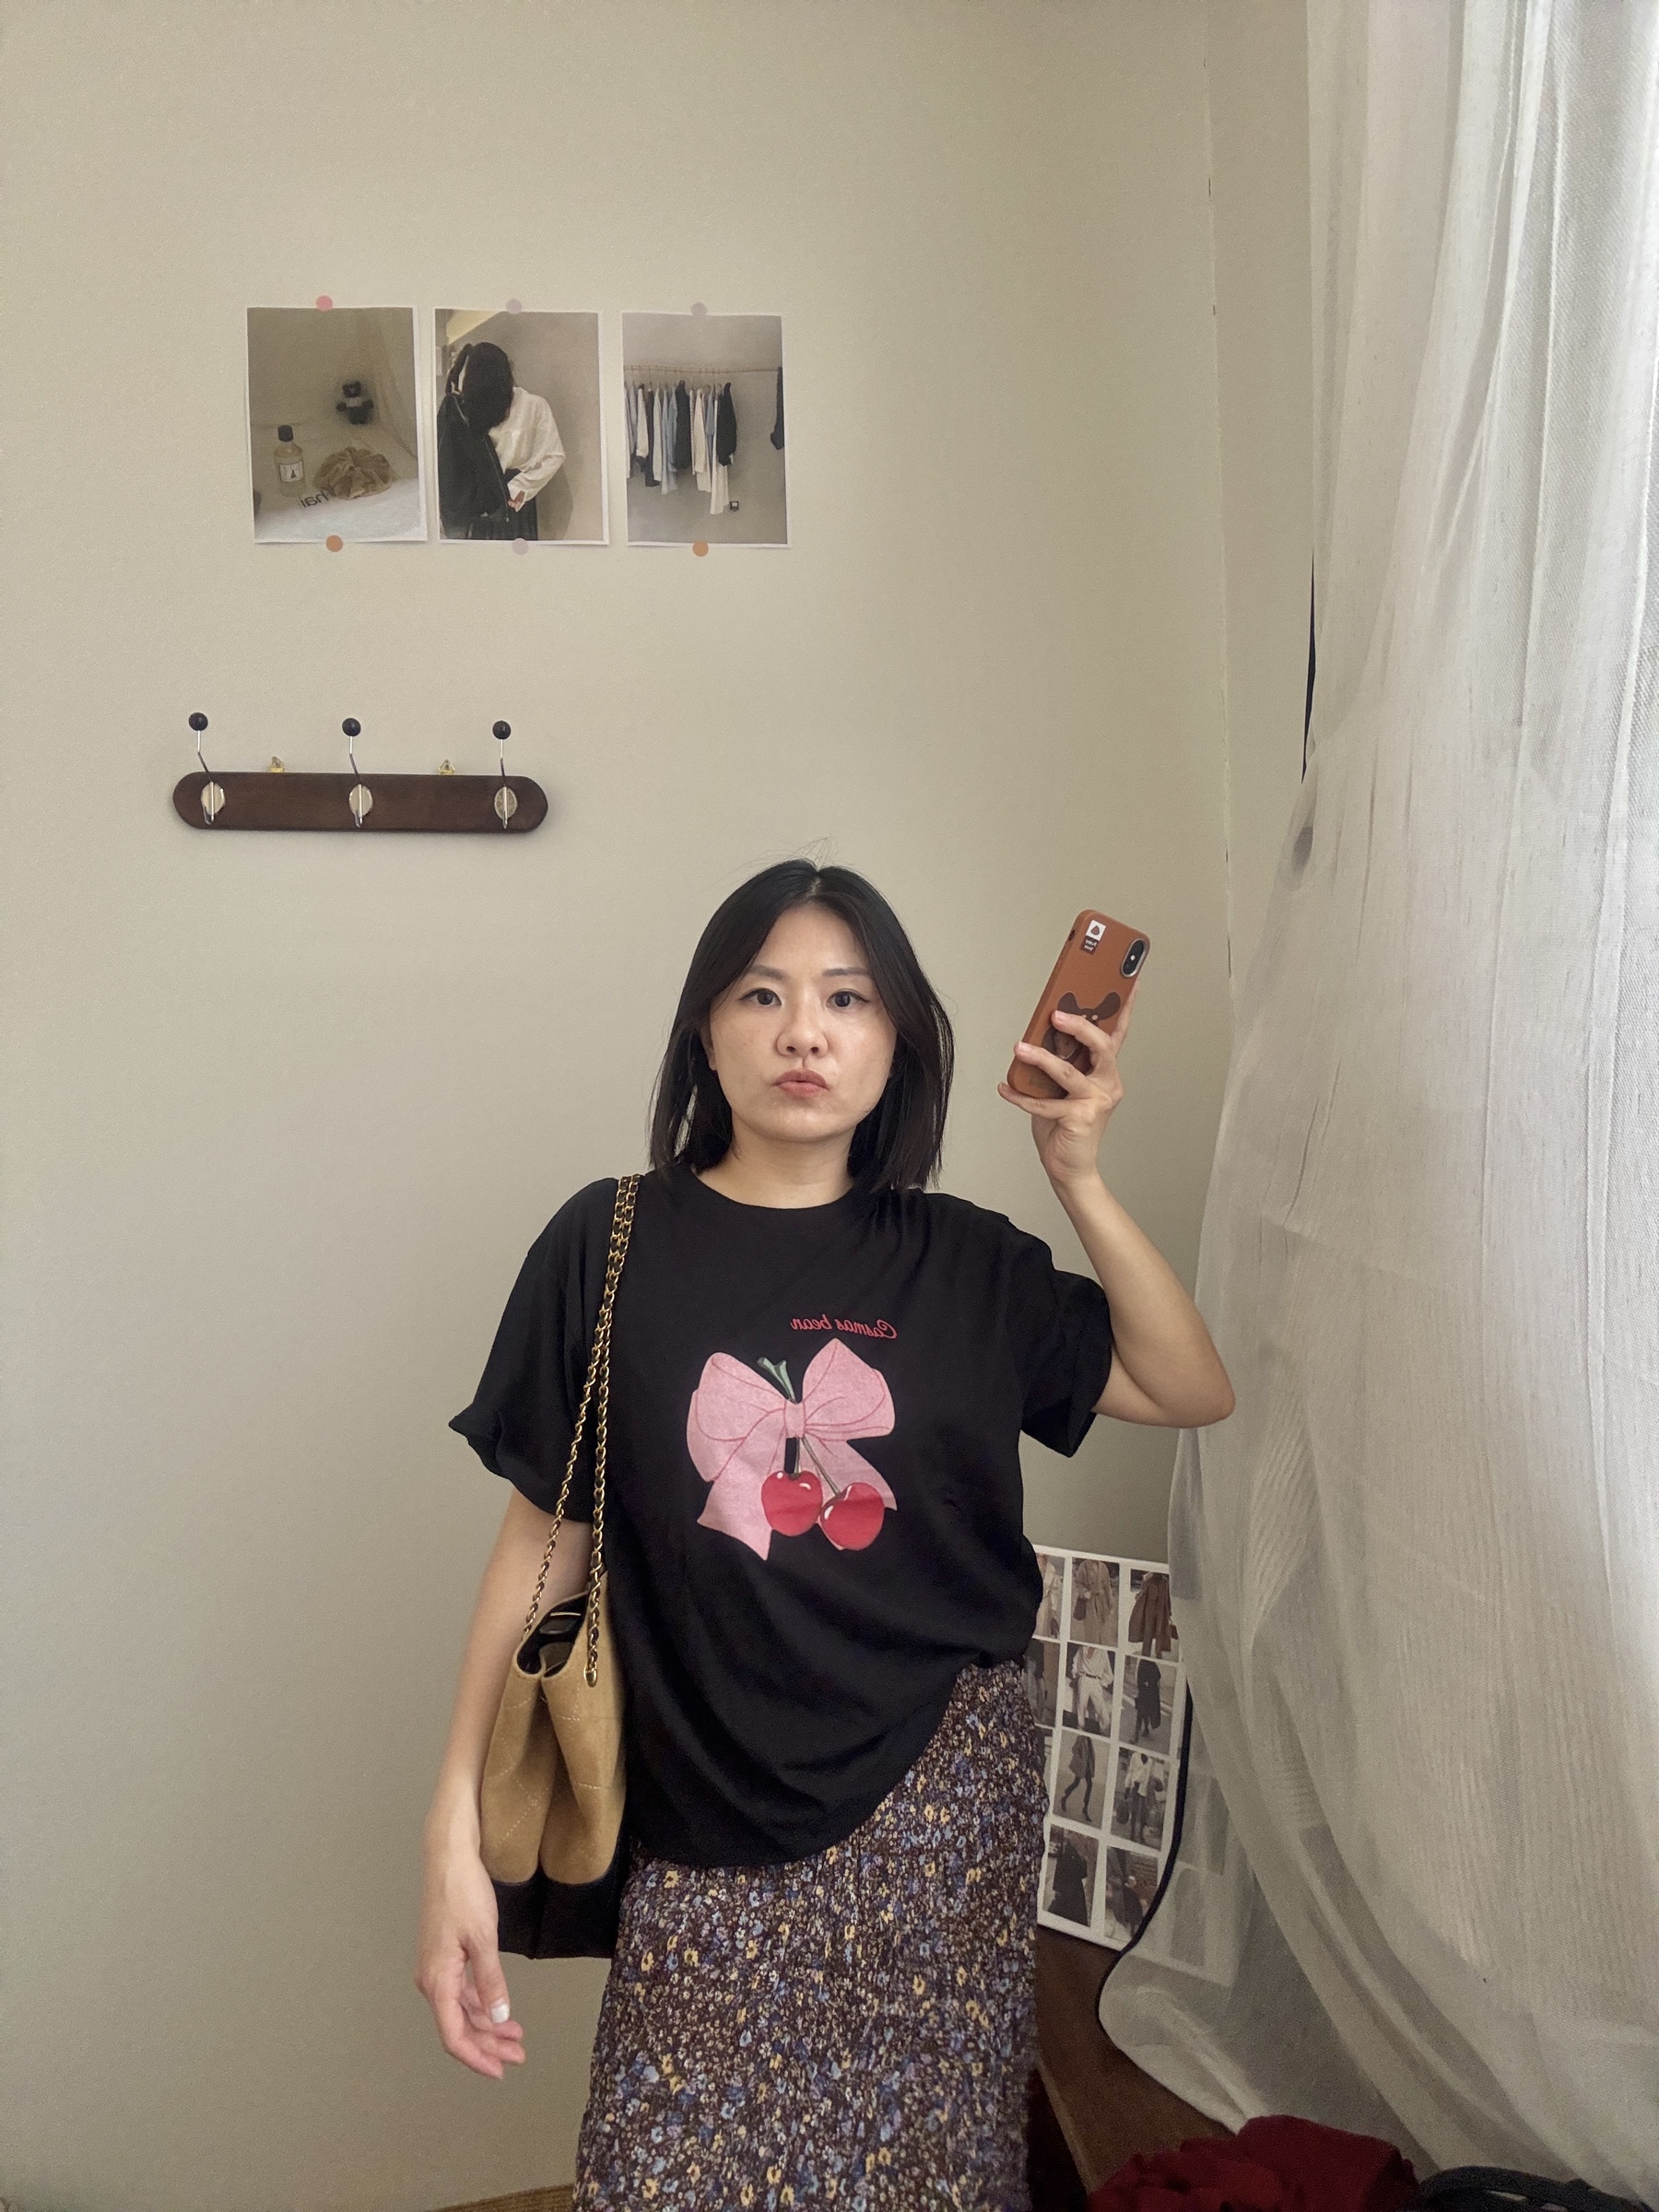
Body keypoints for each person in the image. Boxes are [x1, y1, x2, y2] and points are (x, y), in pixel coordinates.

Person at [417, 861, 1233, 2209]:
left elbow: (1188, 1385)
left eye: (848, 999)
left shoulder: (965, 1260)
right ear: (705, 1030)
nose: (805, 1031)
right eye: (763, 995)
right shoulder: (606, 1242)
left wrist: (1077, 1174)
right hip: (704, 1798)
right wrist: (452, 1827)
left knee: (930, 2176)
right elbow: (544, 1546)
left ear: (897, 1037)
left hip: (940, 1810)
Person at [436, 339, 564, 541]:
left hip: (499, 503)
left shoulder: (467, 409)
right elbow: (554, 455)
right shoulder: (534, 405)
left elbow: (450, 464)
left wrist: (518, 488)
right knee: (516, 556)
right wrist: (519, 488)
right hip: (503, 501)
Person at [1059, 1730, 1098, 1822]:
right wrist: (1080, 1760)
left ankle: (1085, 1808)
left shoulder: (1089, 1739)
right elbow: (1074, 1749)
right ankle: (1064, 1798)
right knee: (1076, 1783)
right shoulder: (1081, 1738)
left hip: (1087, 1767)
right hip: (1081, 1766)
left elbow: (1090, 1754)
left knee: (1089, 1785)